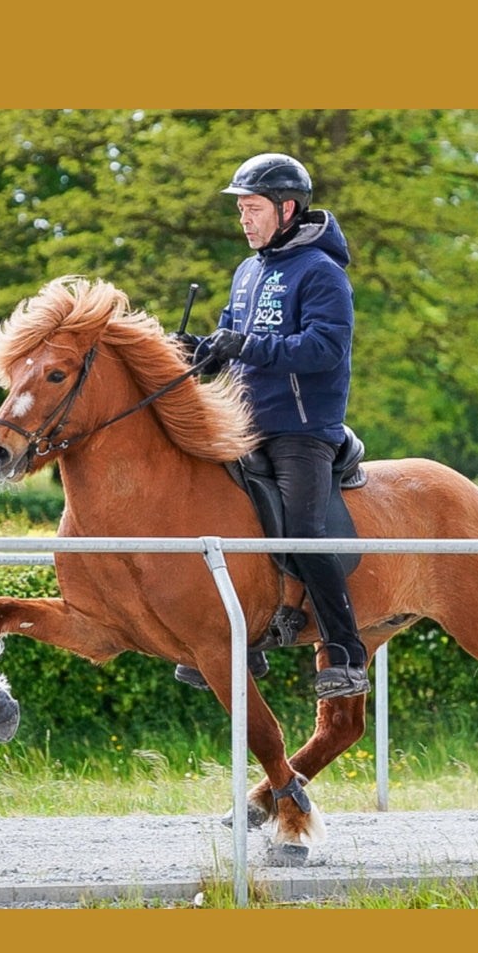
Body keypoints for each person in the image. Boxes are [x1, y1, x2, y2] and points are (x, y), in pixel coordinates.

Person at [174, 152, 369, 699]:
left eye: (252, 207)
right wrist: (200, 353)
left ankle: (347, 654)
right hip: (242, 423)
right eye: (240, 208)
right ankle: (242, 642)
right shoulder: (248, 270)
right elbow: (231, 342)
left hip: (302, 430)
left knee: (303, 536)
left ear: (287, 209)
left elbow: (326, 348)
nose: (243, 218)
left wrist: (249, 346)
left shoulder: (323, 273)